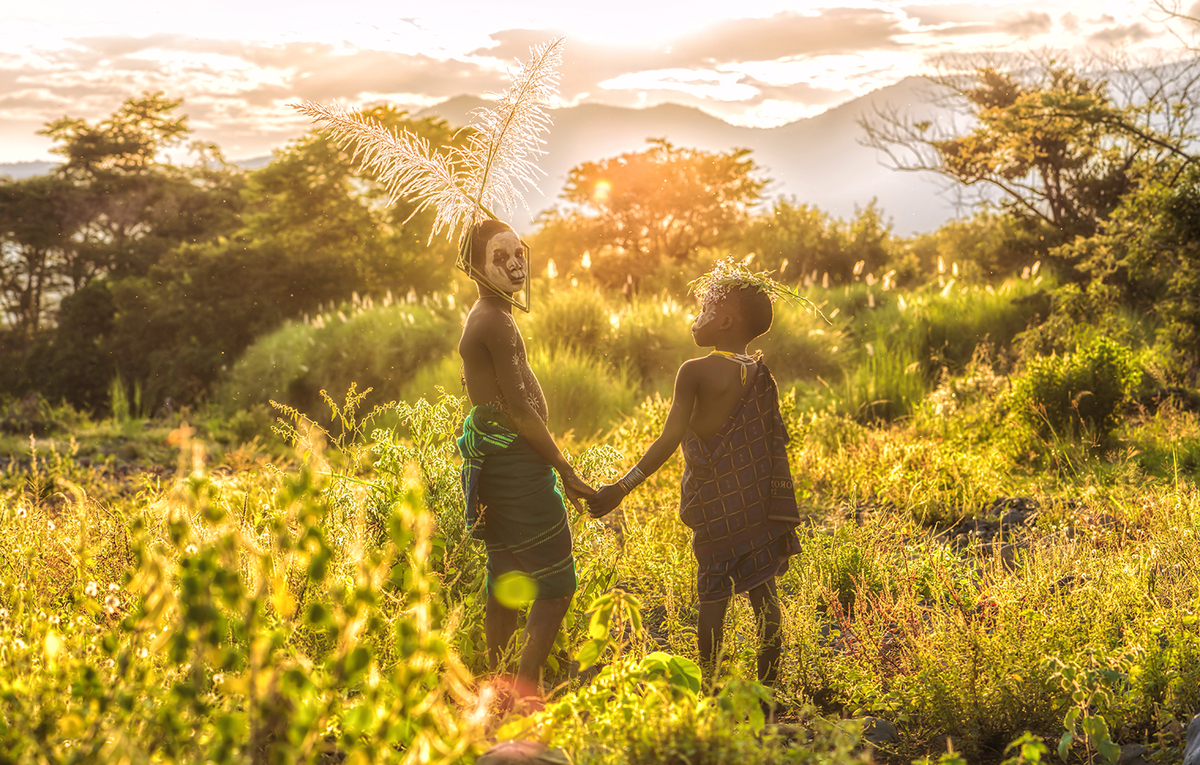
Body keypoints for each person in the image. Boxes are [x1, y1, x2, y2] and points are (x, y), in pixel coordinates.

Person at [588, 261, 803, 709]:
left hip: (716, 508)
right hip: (757, 506)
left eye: (705, 308)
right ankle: (767, 693)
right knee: (764, 591)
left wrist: (620, 487)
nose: (696, 317)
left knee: (713, 595)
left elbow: (669, 439)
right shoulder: (762, 374)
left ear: (725, 320)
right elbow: (771, 445)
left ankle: (707, 689)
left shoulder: (696, 370)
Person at [456, 218, 595, 710]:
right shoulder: (492, 320)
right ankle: (526, 689)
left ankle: (498, 686)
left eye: (519, 253)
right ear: (474, 266)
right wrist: (565, 468)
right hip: (516, 467)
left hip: (506, 465)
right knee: (556, 585)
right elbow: (519, 409)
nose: (515, 264)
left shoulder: (493, 314)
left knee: (507, 575)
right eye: (500, 256)